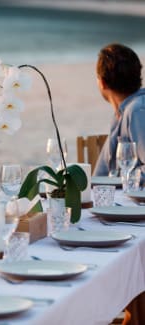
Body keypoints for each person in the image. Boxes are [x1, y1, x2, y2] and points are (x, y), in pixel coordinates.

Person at [93, 43, 145, 325]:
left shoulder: (137, 111)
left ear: (101, 82)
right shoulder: (128, 110)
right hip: (119, 216)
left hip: (131, 220)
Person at [93, 43, 145, 183]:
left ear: (102, 82)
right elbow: (100, 178)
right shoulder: (121, 114)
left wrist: (128, 176)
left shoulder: (137, 111)